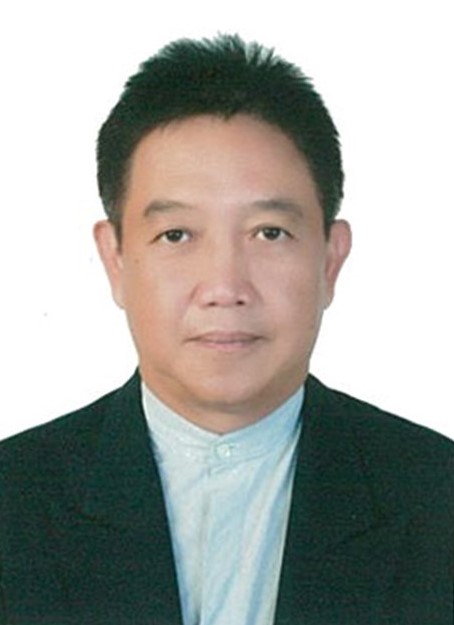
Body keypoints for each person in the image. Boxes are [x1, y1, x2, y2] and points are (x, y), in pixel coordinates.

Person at [0, 34, 452, 625]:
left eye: (269, 233)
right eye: (176, 235)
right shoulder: (15, 501)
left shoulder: (437, 498)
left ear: (329, 260)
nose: (224, 286)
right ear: (115, 260)